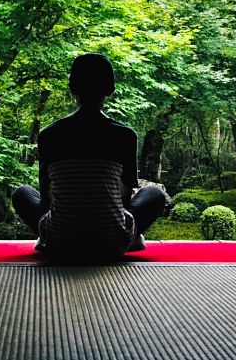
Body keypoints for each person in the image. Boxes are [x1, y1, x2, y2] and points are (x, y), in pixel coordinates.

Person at [11, 53, 167, 261]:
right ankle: (132, 236)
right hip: (112, 240)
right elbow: (124, 196)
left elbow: (48, 197)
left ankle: (46, 237)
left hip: (60, 239)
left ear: (72, 89)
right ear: (110, 90)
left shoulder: (49, 135)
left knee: (22, 193)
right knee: (154, 194)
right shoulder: (124, 135)